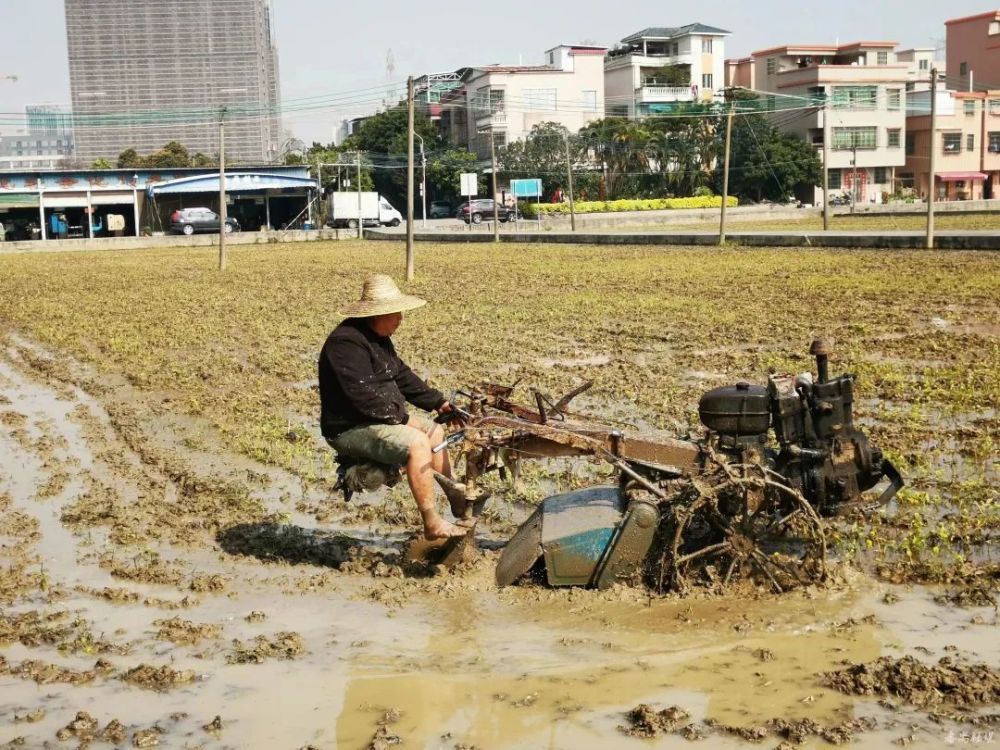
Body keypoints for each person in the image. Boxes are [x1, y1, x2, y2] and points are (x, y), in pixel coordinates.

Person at [319, 274, 469, 540]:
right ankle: (432, 522)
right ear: (376, 314)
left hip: (379, 418)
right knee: (417, 443)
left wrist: (438, 402)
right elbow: (363, 397)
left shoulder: (378, 339)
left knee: (435, 433)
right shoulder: (345, 345)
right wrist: (403, 419)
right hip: (350, 428)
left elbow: (401, 375)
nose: (400, 319)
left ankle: (457, 498)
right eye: (395, 313)